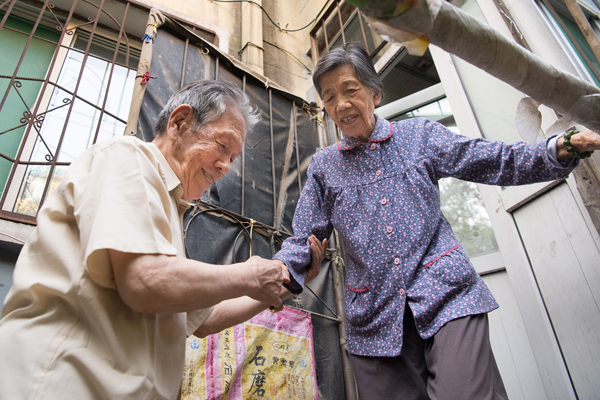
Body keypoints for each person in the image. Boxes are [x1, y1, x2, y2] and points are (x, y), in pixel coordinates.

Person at [273, 42, 600, 400]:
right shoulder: (325, 167)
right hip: (373, 314)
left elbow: (490, 159)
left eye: (350, 90)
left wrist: (559, 148)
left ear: (374, 93)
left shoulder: (419, 137)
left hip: (445, 293)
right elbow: (304, 237)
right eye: (329, 97)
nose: (341, 105)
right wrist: (278, 277)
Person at [0, 80, 326, 400]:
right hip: (63, 383)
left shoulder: (169, 204)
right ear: (179, 123)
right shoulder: (129, 157)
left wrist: (287, 283)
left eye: (233, 157)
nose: (225, 166)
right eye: (222, 146)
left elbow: (205, 319)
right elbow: (144, 281)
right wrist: (250, 274)